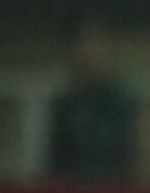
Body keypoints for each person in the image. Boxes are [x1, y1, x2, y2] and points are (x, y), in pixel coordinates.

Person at [45, 16, 138, 182]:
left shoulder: (122, 102)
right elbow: (55, 160)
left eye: (98, 43)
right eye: (85, 43)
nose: (91, 51)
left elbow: (132, 157)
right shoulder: (65, 104)